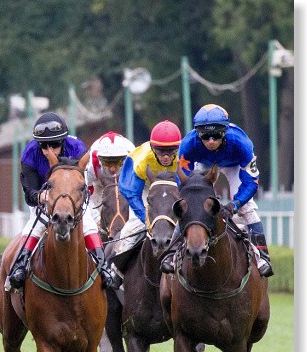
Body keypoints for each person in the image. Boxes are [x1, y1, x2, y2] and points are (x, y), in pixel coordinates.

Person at [161, 104, 273, 277]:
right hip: (203, 166)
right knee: (190, 207)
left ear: (225, 131)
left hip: (235, 165)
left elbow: (251, 182)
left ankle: (263, 257)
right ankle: (171, 253)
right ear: (198, 133)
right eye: (205, 136)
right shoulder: (188, 144)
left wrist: (235, 204)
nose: (211, 141)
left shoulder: (242, 143)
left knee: (247, 209)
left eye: (216, 134)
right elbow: (183, 180)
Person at [6, 112, 112, 290]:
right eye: (44, 145)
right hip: (45, 200)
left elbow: (81, 185)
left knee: (88, 224)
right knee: (36, 224)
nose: (49, 150)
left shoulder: (77, 148)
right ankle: (20, 266)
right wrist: (40, 196)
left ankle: (104, 267)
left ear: (63, 141)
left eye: (55, 144)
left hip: (72, 200)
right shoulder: (30, 154)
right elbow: (29, 192)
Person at [108, 119, 182, 287]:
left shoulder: (184, 157)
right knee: (132, 228)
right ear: (152, 148)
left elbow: (188, 188)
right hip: (146, 189)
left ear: (177, 149)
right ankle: (116, 271)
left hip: (174, 188)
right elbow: (131, 193)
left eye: (171, 152)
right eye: (161, 151)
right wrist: (146, 219)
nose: (165, 156)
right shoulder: (141, 160)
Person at [78, 131, 135, 232]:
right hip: (99, 184)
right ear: (100, 159)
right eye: (107, 162)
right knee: (97, 223)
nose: (112, 168)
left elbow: (137, 192)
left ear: (124, 158)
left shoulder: (133, 159)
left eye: (117, 162)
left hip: (125, 184)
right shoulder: (91, 163)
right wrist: (96, 218)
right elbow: (85, 194)